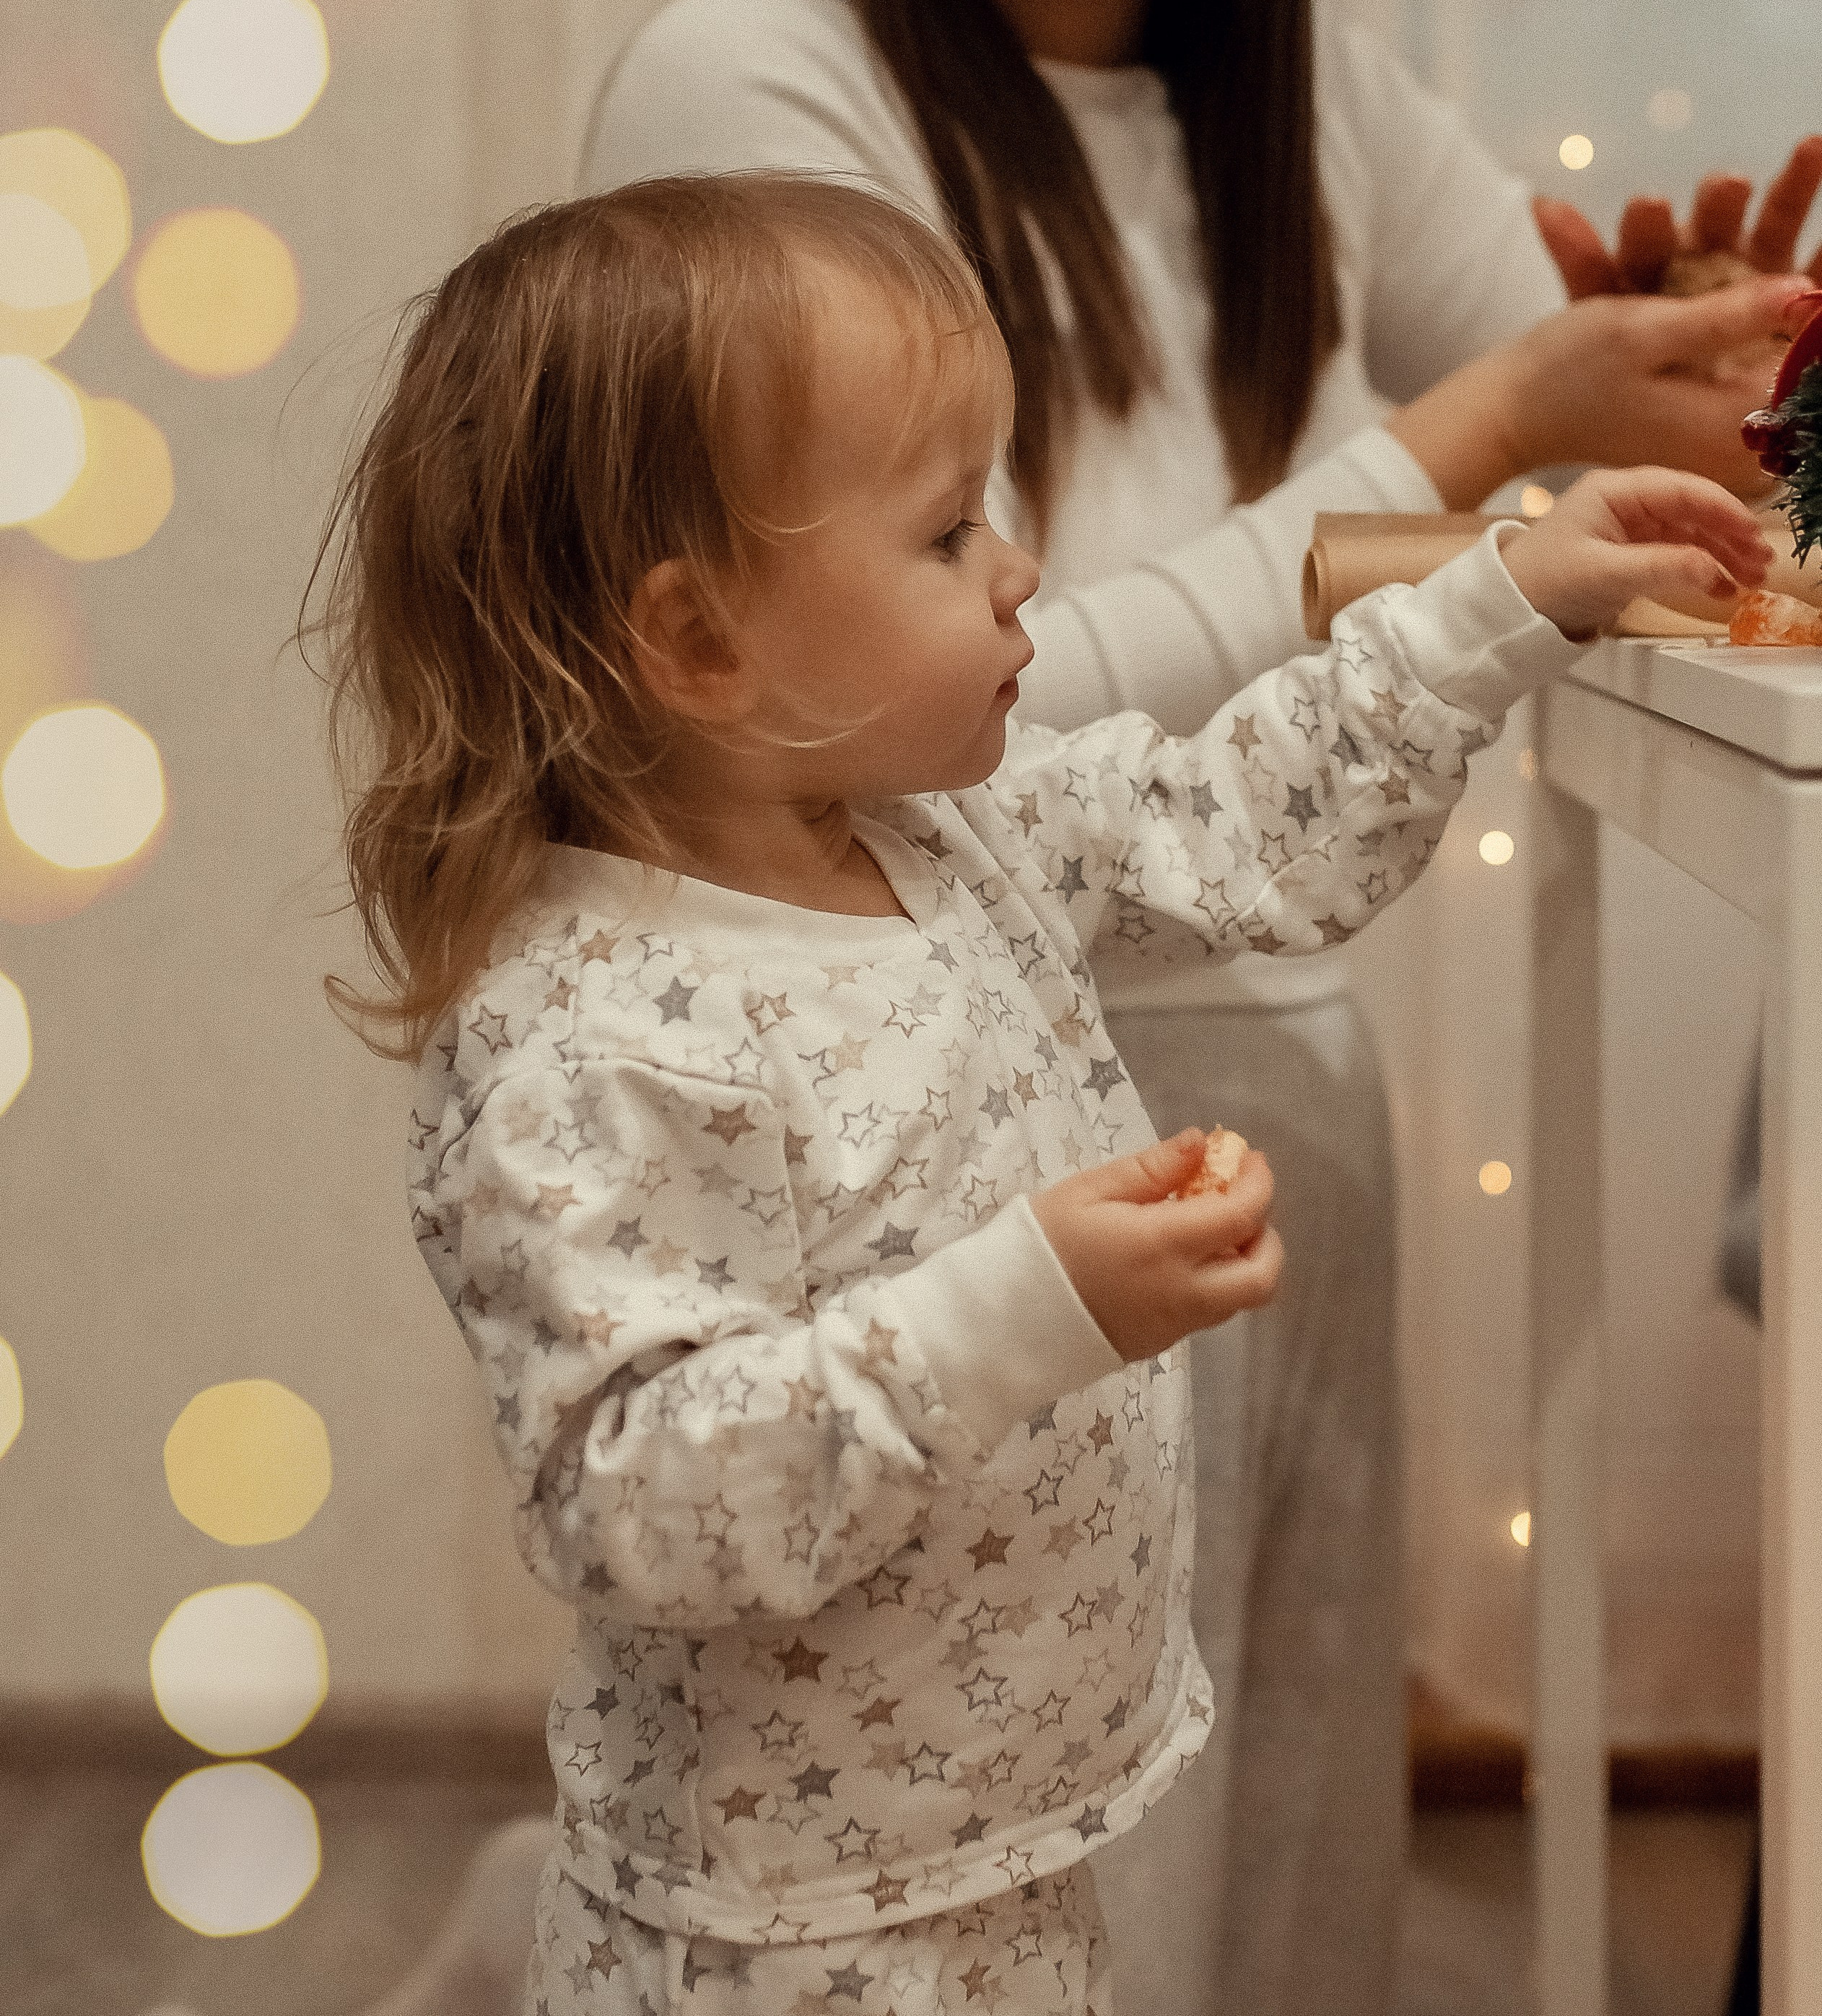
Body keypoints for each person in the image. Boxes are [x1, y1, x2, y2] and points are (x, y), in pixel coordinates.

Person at [558, 0, 1820, 2010]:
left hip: (1276, 1143)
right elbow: (977, 728)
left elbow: (1561, 417)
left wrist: (1684, 359)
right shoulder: (750, 94)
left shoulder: (1317, 102)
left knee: (1257, 1916)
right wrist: (1474, 423)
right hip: (933, 1208)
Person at [319, 172, 1773, 2016]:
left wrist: (1495, 600)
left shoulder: (944, 838)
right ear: (694, 641)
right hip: (780, 1933)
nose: (1016, 568)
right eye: (944, 535)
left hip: (1006, 1849)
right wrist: (1023, 1308)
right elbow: (640, 1496)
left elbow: (1234, 821)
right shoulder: (582, 1041)